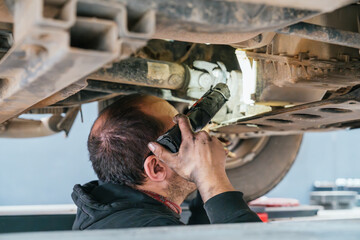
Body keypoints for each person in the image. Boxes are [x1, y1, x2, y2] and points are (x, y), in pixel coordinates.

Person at [72, 94, 261, 230]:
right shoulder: (150, 231)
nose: (195, 139)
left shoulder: (105, 212)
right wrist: (212, 178)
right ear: (156, 167)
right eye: (183, 134)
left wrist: (205, 177)